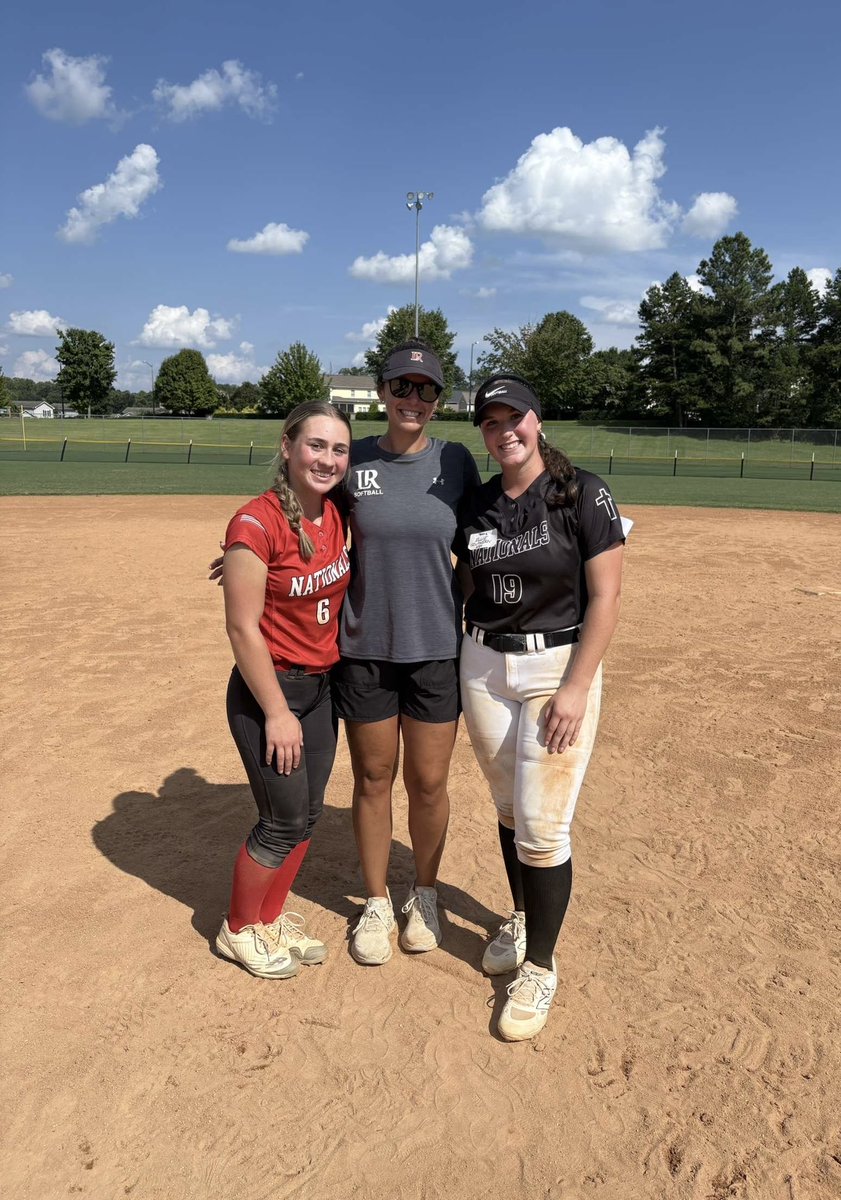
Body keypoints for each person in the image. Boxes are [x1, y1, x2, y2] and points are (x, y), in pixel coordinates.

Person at [455, 374, 624, 1040]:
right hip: (482, 664)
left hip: (556, 666)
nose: (504, 432)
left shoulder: (582, 492)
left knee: (542, 828)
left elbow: (605, 599)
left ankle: (541, 966)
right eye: (490, 423)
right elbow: (460, 582)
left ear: (536, 418)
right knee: (506, 807)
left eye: (512, 418)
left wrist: (577, 687)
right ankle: (522, 918)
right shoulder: (478, 505)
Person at [332, 339, 481, 965]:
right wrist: (253, 554)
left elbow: (485, 545)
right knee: (372, 779)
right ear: (382, 390)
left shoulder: (457, 462)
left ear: (438, 400)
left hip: (435, 649)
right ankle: (373, 902)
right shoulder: (354, 458)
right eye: (401, 386)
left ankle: (423, 894)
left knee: (428, 782)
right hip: (366, 646)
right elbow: (309, 521)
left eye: (425, 389)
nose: (412, 399)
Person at [215, 401, 352, 979]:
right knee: (281, 821)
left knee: (309, 814)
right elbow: (241, 627)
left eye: (339, 449)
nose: (327, 459)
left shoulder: (338, 513)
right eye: (315, 445)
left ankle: (269, 921)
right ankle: (239, 929)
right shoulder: (256, 521)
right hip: (270, 691)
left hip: (320, 689)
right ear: (287, 446)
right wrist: (276, 711)